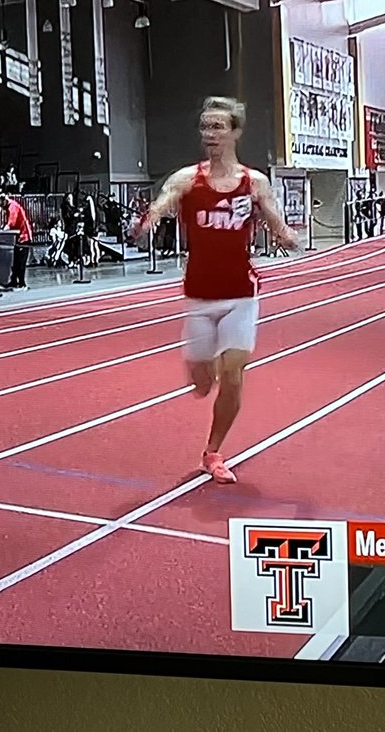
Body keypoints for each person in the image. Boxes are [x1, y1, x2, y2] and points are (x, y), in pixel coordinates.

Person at [140, 96, 297, 485]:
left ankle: (213, 451)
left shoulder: (253, 182)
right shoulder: (186, 179)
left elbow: (274, 217)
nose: (209, 135)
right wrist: (149, 220)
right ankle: (203, 364)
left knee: (233, 374)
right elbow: (164, 202)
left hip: (240, 294)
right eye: (205, 127)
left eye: (218, 127)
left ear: (235, 132)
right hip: (199, 295)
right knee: (201, 383)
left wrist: (285, 233)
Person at [0, 193, 33, 290]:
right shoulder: (9, 207)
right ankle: (14, 280)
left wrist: (3, 230)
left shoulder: (12, 207)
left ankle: (21, 282)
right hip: (18, 236)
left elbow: (11, 222)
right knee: (15, 260)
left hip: (24, 236)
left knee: (21, 261)